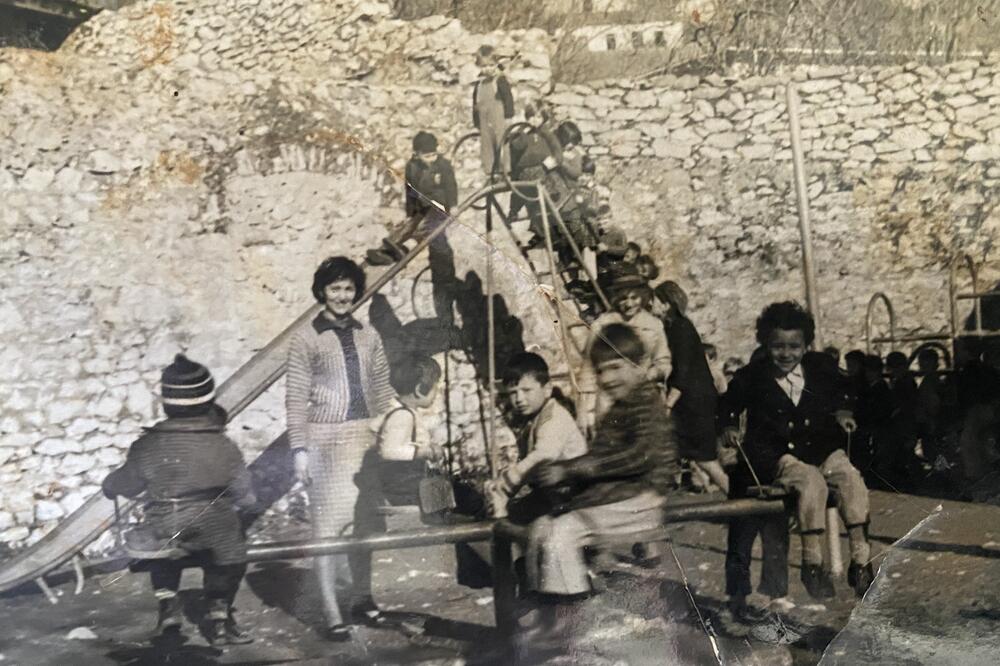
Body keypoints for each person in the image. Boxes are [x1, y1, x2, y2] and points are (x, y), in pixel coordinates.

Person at [522, 324, 676, 644]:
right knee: (541, 529)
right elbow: (602, 457)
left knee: (562, 533)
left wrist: (573, 469)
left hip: (642, 497)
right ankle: (549, 614)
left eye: (616, 367)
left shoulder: (646, 403)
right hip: (619, 497)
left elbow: (640, 457)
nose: (608, 378)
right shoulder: (619, 407)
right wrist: (568, 476)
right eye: (602, 370)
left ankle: (572, 621)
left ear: (639, 366)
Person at [719, 302, 874, 600]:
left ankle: (861, 560)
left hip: (820, 448)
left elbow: (847, 388)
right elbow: (728, 403)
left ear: (806, 345)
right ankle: (812, 564)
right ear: (766, 344)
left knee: (851, 480)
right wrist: (729, 426)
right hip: (778, 453)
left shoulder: (821, 366)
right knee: (811, 483)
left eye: (794, 347)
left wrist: (844, 410)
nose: (786, 354)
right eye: (778, 346)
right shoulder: (753, 375)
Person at [102, 354, 255, 645]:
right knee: (228, 552)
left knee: (161, 549)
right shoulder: (223, 444)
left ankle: (168, 609)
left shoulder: (147, 445)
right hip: (214, 526)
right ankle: (220, 614)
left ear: (166, 404)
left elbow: (128, 485)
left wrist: (110, 485)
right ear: (208, 402)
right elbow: (245, 494)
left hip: (167, 524)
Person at [286, 256, 395, 641]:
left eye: (349, 288)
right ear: (322, 291)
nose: (343, 296)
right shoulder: (305, 338)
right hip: (325, 443)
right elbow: (296, 399)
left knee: (363, 527)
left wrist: (388, 426)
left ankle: (362, 598)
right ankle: (332, 612)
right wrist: (299, 450)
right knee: (328, 531)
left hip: (363, 439)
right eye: (335, 288)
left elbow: (382, 387)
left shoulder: (369, 335)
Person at [487, 352, 587, 522]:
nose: (519, 399)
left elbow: (541, 456)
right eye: (513, 393)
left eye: (526, 390)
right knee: (513, 513)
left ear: (547, 389)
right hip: (553, 491)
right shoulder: (535, 418)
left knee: (513, 521)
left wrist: (505, 485)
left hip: (573, 493)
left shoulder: (554, 417)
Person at [652, 281, 728, 494]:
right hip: (690, 401)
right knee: (694, 457)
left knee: (704, 459)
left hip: (694, 403)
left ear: (666, 304)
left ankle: (735, 495)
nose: (651, 306)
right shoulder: (673, 327)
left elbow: (682, 373)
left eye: (655, 302)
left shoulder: (681, 329)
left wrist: (668, 404)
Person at [581, 271, 671, 433]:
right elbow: (588, 368)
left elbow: (663, 361)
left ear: (642, 296)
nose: (629, 304)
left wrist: (652, 373)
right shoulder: (601, 325)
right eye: (623, 298)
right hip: (610, 399)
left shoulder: (654, 324)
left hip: (643, 397)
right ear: (615, 297)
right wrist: (586, 411)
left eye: (634, 298)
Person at [367, 131, 458, 266]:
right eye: (427, 156)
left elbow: (451, 186)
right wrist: (410, 213)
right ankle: (386, 251)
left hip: (440, 206)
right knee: (408, 225)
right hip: (422, 205)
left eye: (433, 155)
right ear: (417, 154)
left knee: (423, 227)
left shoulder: (443, 165)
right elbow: (410, 191)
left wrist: (453, 205)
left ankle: (403, 250)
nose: (432, 159)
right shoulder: (412, 166)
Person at [472, 44, 515, 176]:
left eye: (491, 65)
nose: (487, 69)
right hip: (484, 119)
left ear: (496, 64)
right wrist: (476, 122)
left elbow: (508, 98)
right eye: (484, 66)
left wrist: (509, 116)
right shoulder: (479, 84)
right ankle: (490, 171)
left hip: (498, 118)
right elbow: (475, 104)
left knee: (501, 142)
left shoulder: (499, 80)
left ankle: (504, 171)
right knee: (487, 145)